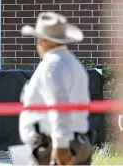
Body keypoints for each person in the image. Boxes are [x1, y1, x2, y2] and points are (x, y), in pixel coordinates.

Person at [18, 12, 92, 165]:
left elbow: (60, 105)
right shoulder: (72, 63)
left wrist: (61, 146)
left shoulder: (52, 65)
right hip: (75, 142)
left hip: (53, 147)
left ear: (44, 41)